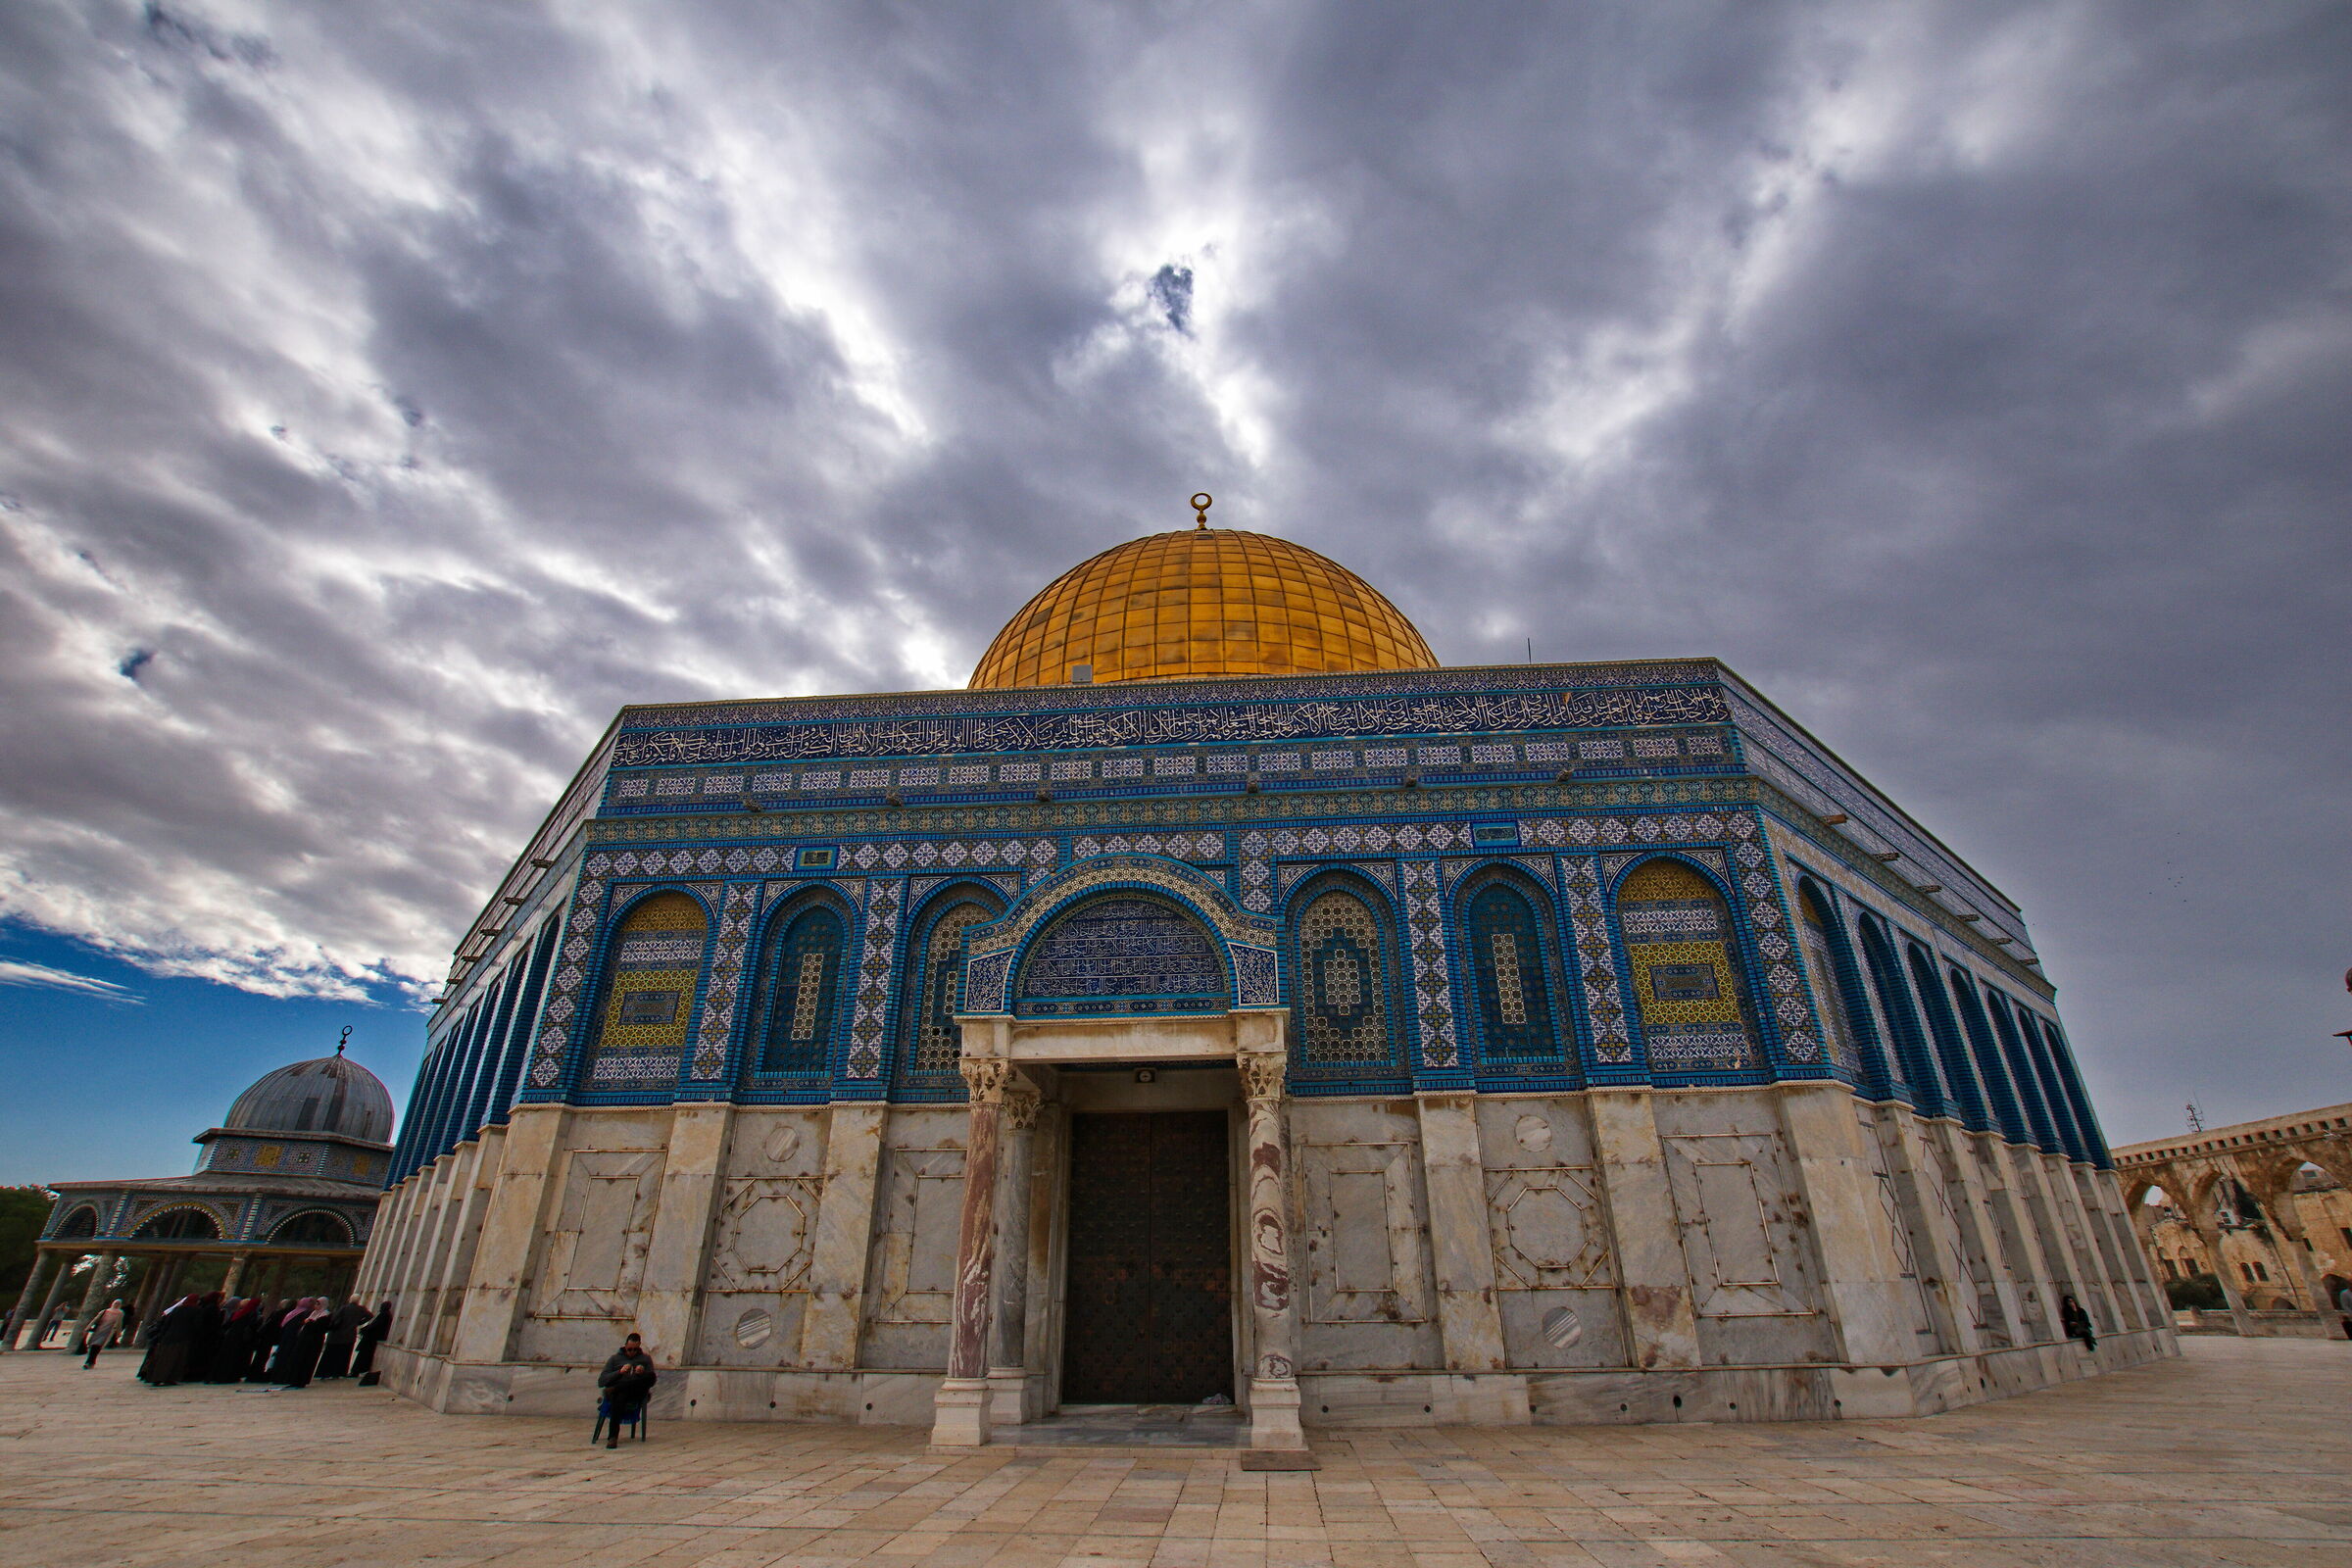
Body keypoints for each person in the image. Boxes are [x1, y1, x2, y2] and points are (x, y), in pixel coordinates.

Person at [594, 1334, 658, 1448]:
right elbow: (602, 1381)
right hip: (620, 1393)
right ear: (625, 1346)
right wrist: (619, 1372)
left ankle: (617, 1388)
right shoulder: (614, 1359)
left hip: (636, 1390)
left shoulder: (645, 1359)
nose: (632, 1352)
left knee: (650, 1376)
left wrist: (642, 1372)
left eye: (635, 1349)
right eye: (629, 1349)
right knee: (619, 1398)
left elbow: (651, 1380)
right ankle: (613, 1436)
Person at [136, 1296, 202, 1386]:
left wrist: (162, 1335)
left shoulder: (176, 1310)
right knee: (175, 1360)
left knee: (163, 1359)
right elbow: (196, 1325)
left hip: (169, 1337)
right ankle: (169, 1378)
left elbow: (167, 1323)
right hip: (183, 1338)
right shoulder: (195, 1311)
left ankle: (156, 1377)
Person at [316, 1297, 371, 1380]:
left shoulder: (344, 1308)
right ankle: (338, 1373)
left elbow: (334, 1318)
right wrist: (359, 1322)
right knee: (343, 1356)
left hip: (337, 1335)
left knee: (331, 1355)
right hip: (349, 1336)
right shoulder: (361, 1309)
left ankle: (325, 1373)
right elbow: (370, 1315)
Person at [350, 1301, 394, 1379]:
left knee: (363, 1356)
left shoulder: (384, 1315)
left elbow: (375, 1326)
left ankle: (356, 1371)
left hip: (371, 1339)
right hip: (371, 1338)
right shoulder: (385, 1314)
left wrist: (365, 1330)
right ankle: (358, 1370)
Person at [80, 1299, 125, 1368]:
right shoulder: (105, 1311)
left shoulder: (120, 1313)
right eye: (115, 1303)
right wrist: (88, 1328)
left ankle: (90, 1362)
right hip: (99, 1331)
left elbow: (119, 1324)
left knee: (97, 1346)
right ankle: (90, 1362)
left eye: (118, 1303)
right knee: (93, 1346)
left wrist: (118, 1333)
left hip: (107, 1332)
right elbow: (95, 1319)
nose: (116, 1305)